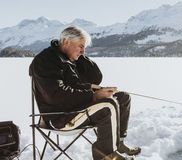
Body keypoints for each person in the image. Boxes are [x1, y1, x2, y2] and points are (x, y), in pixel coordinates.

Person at [29, 26, 141, 160]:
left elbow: (96, 77)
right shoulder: (45, 61)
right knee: (108, 105)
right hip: (59, 117)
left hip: (75, 108)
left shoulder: (68, 58)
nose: (83, 50)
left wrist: (91, 84)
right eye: (81, 46)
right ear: (66, 42)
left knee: (122, 97)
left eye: (85, 47)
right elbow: (56, 95)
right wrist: (93, 95)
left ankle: (119, 143)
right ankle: (106, 156)